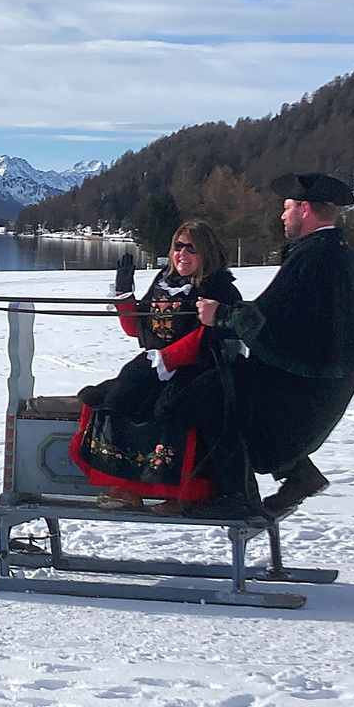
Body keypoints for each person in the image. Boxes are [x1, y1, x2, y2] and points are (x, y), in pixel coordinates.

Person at [180, 172, 354, 516]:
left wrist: (222, 314)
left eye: (287, 208)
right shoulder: (330, 251)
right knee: (225, 394)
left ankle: (234, 498)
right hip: (316, 377)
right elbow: (287, 317)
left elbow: (274, 318)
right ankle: (297, 475)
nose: (282, 216)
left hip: (308, 384)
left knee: (209, 395)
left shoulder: (317, 255)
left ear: (304, 209)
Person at [71, 219, 242, 513]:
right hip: (157, 363)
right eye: (178, 247)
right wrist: (125, 294)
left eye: (192, 249)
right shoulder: (164, 281)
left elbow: (206, 336)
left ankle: (184, 493)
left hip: (199, 367)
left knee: (170, 407)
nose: (182, 255)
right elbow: (138, 329)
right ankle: (128, 487)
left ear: (207, 254)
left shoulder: (218, 288)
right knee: (109, 398)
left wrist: (167, 360)